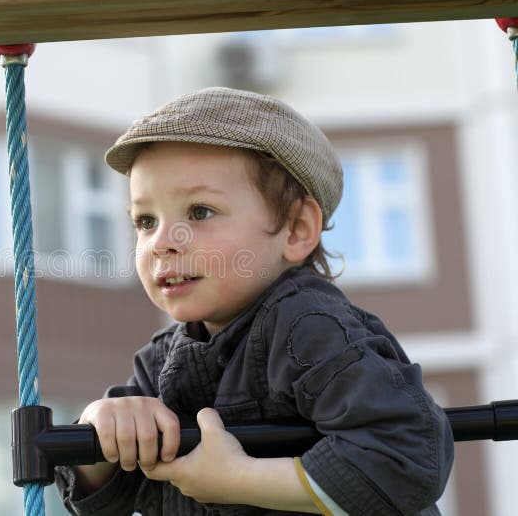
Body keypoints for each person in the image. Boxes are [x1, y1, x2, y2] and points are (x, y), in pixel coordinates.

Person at [54, 87, 454, 515]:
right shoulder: (162, 361)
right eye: (145, 221)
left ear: (297, 229)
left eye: (200, 212)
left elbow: (406, 452)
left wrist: (240, 480)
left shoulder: (308, 327)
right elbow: (103, 495)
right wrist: (102, 425)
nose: (163, 242)